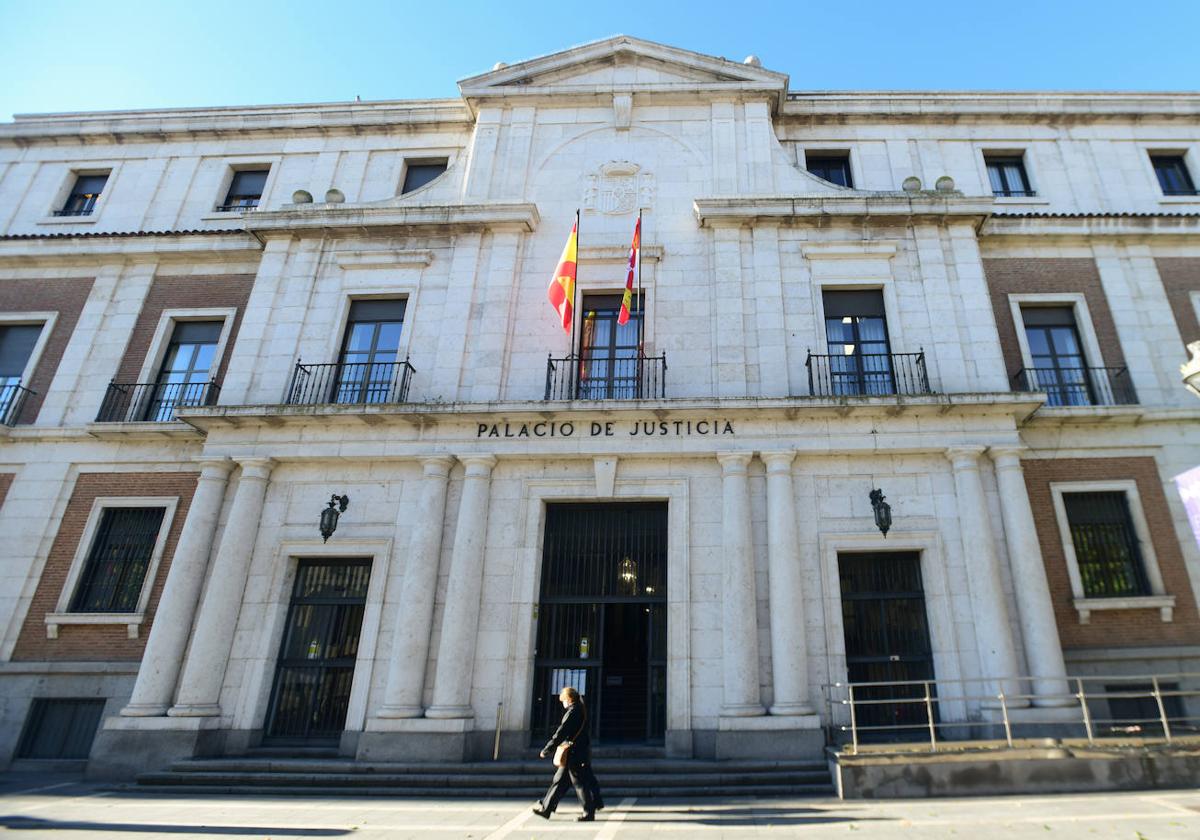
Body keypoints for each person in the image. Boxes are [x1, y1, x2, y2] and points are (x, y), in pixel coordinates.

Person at [531, 686, 605, 821]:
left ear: (569, 699)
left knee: (579, 783)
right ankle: (547, 808)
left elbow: (562, 732)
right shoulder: (580, 709)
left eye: (563, 700)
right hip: (575, 752)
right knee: (559, 781)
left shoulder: (574, 712)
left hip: (575, 754)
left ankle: (589, 812)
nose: (562, 703)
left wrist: (548, 749)